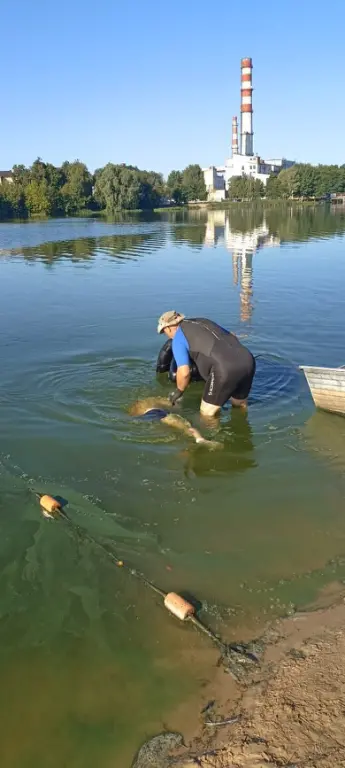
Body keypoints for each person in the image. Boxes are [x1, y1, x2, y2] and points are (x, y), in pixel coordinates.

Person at [157, 311, 256, 418]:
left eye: (164, 332)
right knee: (239, 406)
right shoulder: (204, 321)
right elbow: (232, 336)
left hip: (224, 370)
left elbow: (184, 372)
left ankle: (208, 434)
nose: (166, 335)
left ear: (169, 328)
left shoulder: (178, 338)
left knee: (207, 415)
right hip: (247, 359)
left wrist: (179, 391)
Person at [129, 396, 221, 449]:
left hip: (146, 417)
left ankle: (193, 442)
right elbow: (170, 403)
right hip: (156, 412)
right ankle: (199, 438)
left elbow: (133, 417)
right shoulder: (151, 400)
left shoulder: (135, 408)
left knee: (163, 427)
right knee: (179, 423)